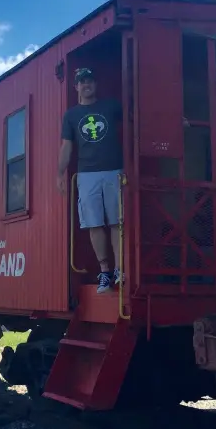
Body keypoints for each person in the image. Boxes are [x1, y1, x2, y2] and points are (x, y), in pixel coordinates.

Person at [57, 68, 124, 294]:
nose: (86, 85)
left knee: (117, 222)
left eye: (90, 81)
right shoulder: (71, 115)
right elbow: (67, 146)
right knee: (94, 224)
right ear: (76, 87)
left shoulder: (111, 106)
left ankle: (120, 270)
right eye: (82, 82)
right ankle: (105, 272)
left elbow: (139, 118)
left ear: (95, 84)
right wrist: (60, 174)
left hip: (114, 171)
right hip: (87, 175)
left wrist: (172, 119)